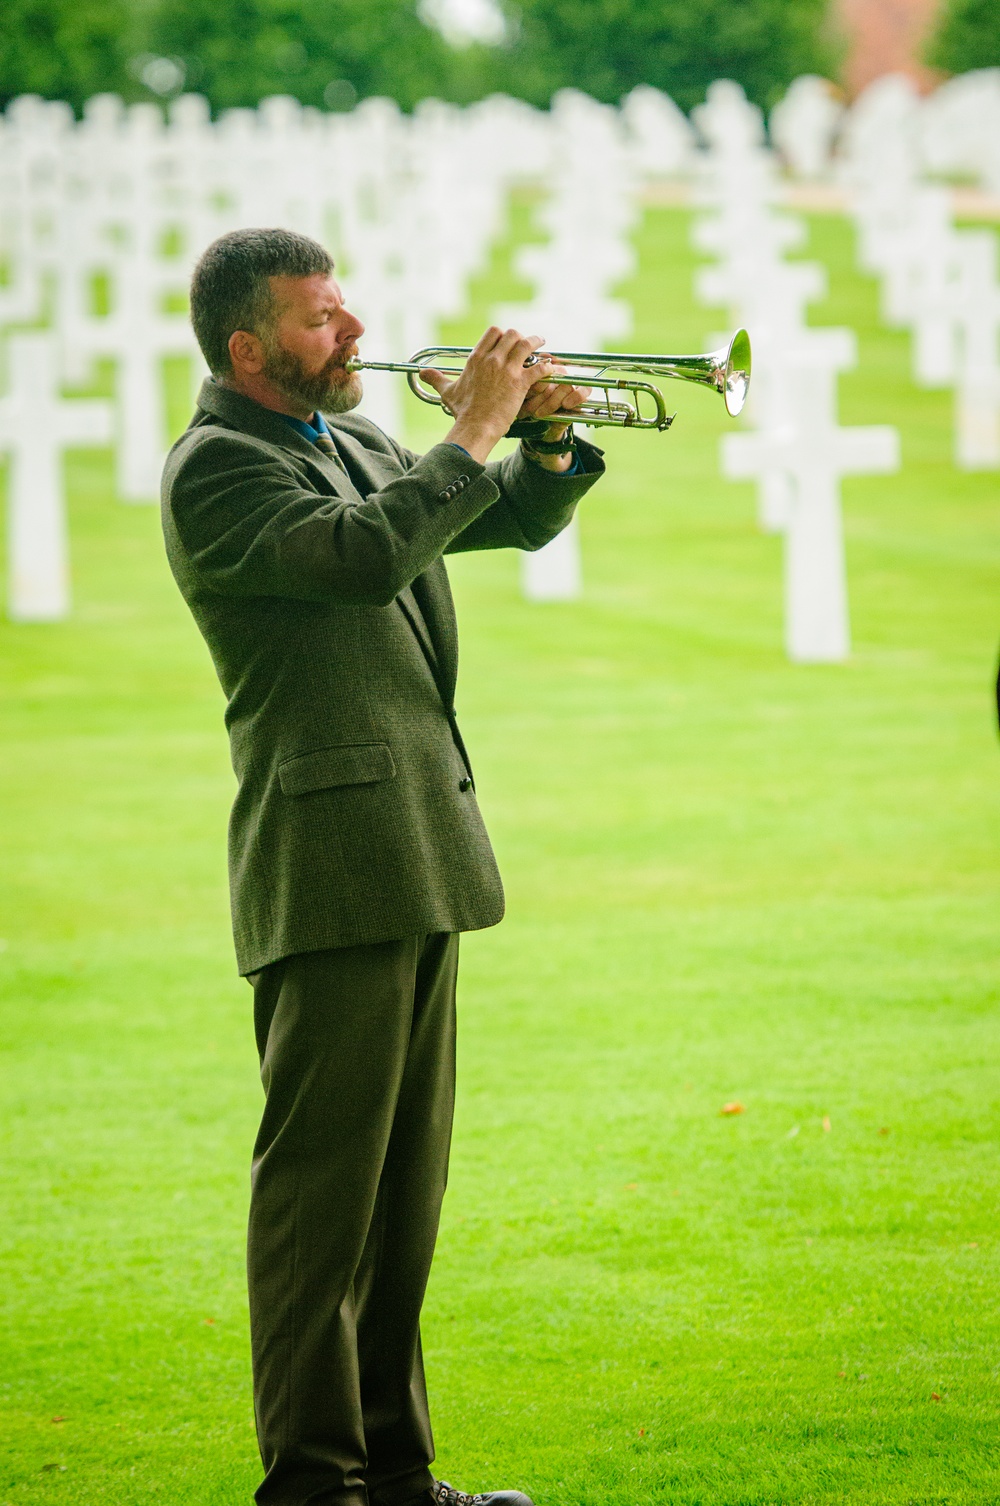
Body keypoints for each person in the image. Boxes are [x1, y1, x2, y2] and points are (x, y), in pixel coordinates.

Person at [161, 227, 606, 1506]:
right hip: (329, 859)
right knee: (321, 1207)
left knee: (402, 1202)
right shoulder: (217, 473)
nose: (352, 334)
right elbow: (363, 561)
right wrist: (468, 432)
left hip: (419, 843)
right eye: (318, 321)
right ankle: (312, 1483)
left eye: (345, 309)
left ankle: (396, 1479)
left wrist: (547, 443)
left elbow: (496, 520)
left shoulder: (348, 441)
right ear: (248, 350)